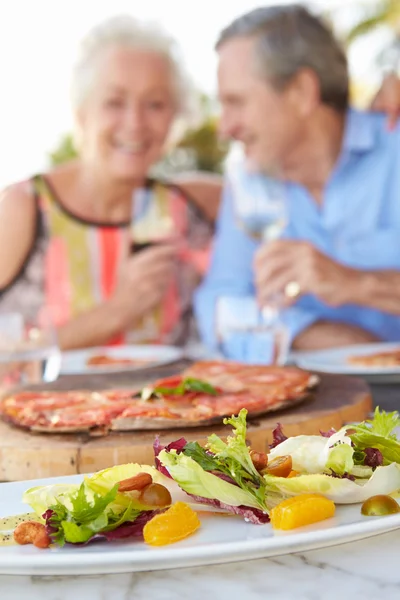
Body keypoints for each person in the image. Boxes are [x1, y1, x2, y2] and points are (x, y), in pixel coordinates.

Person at [0, 16, 221, 351]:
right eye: (114, 102)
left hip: (179, 404)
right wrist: (117, 311)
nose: (135, 124)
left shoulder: (192, 204)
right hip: (41, 404)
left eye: (155, 104)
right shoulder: (25, 208)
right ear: (82, 112)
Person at [195, 4, 400, 360]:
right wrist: (341, 343)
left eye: (236, 102)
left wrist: (354, 283)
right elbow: (220, 305)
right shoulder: (250, 185)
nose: (225, 128)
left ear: (302, 91)